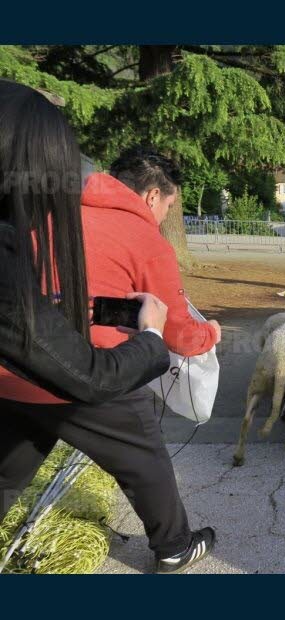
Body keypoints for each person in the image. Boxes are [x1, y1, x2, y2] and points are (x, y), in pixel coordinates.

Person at [0, 81, 214, 574]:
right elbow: (175, 330)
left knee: (11, 459)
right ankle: (175, 545)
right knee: (145, 456)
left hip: (11, 368)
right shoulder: (144, 237)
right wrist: (209, 336)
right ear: (153, 194)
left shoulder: (47, 210)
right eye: (167, 207)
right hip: (85, 370)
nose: (163, 217)